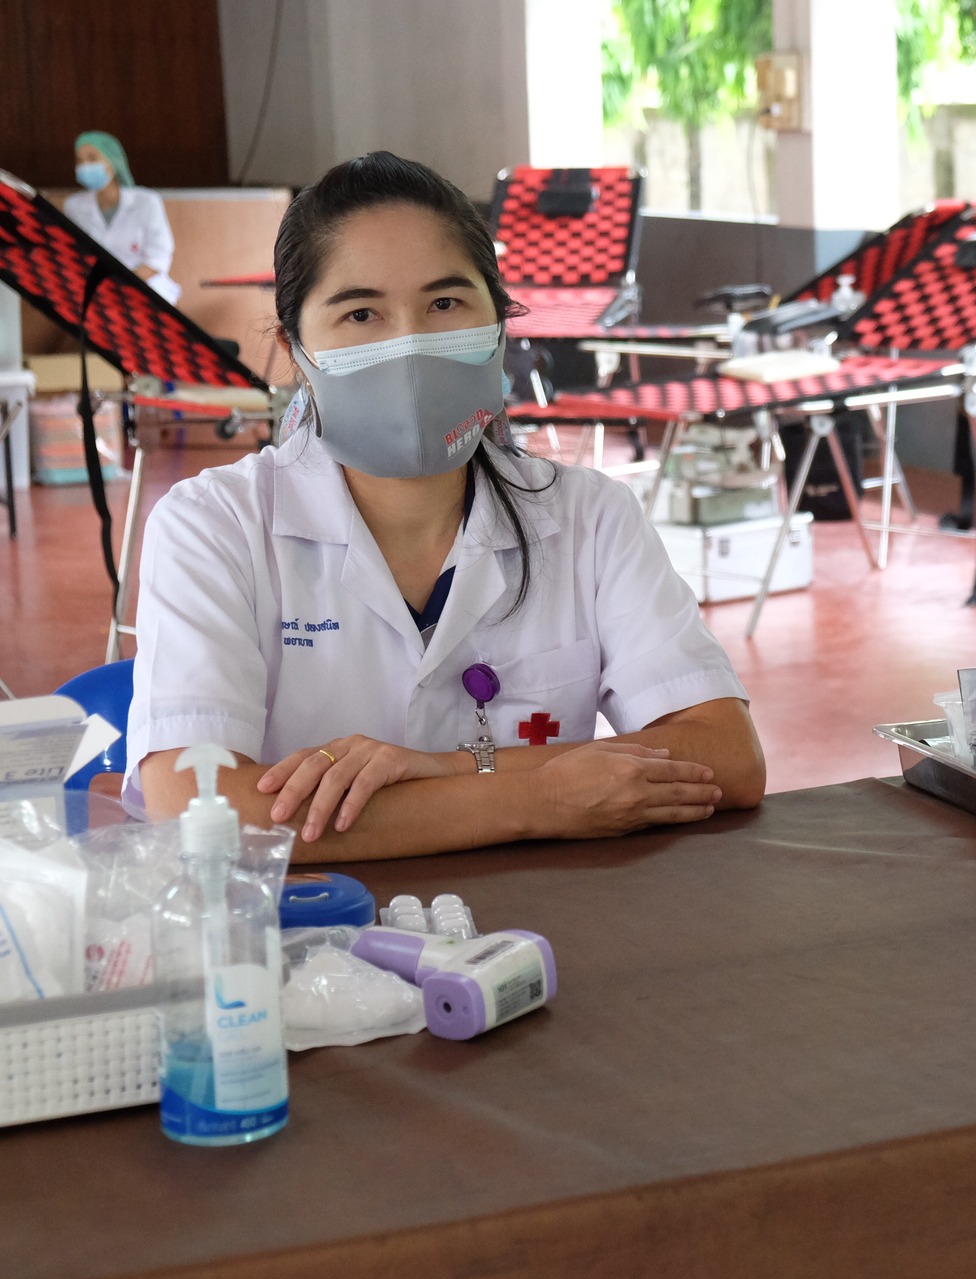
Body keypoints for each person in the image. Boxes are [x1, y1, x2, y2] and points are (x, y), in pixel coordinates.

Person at [127, 151, 766, 861]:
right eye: (361, 312)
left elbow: (726, 756)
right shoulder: (214, 525)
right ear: (295, 350)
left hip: (554, 929)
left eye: (444, 304)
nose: (410, 346)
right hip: (319, 946)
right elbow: (196, 808)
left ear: (498, 326)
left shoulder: (589, 516)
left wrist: (451, 766)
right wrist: (538, 797)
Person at [62, 131, 181, 306]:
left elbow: (159, 256)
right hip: (96, 294)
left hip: (146, 289)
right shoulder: (74, 206)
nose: (84, 166)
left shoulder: (146, 201)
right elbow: (72, 254)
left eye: (92, 158)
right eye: (79, 161)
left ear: (112, 162)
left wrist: (121, 289)